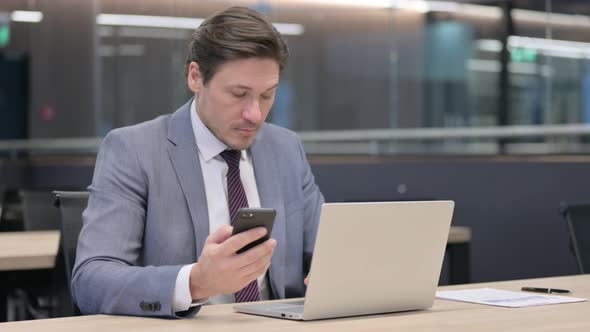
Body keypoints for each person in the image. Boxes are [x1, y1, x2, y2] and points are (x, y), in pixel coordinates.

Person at [72, 6, 324, 318]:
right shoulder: (134, 150)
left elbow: (327, 252)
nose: (254, 114)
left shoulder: (286, 149)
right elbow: (91, 281)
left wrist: (339, 273)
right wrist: (194, 283)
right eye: (238, 94)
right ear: (196, 77)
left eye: (266, 95)